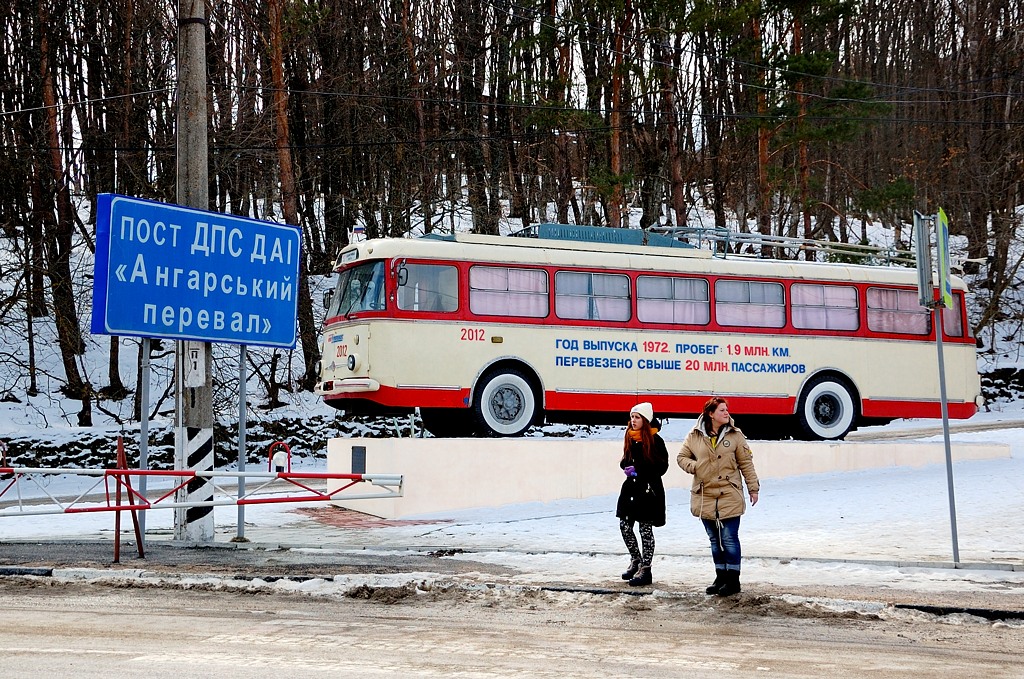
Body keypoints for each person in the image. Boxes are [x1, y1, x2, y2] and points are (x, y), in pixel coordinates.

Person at [677, 397, 760, 597]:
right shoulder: (694, 435)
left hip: (729, 493)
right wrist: (696, 467)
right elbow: (681, 458)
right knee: (715, 540)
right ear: (710, 414)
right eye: (722, 410)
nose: (726, 413)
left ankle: (733, 580)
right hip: (705, 494)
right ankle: (720, 576)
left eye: (727, 409)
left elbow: (746, 463)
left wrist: (753, 488)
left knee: (729, 538)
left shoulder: (736, 435)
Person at [615, 402, 669, 587]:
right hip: (631, 489)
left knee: (645, 530)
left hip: (648, 491)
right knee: (625, 526)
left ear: (645, 420)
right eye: (632, 417)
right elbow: (624, 460)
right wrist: (627, 468)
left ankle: (646, 569)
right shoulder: (630, 437)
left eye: (637, 417)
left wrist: (639, 469)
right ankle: (636, 560)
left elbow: (662, 467)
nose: (633, 420)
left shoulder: (656, 440)